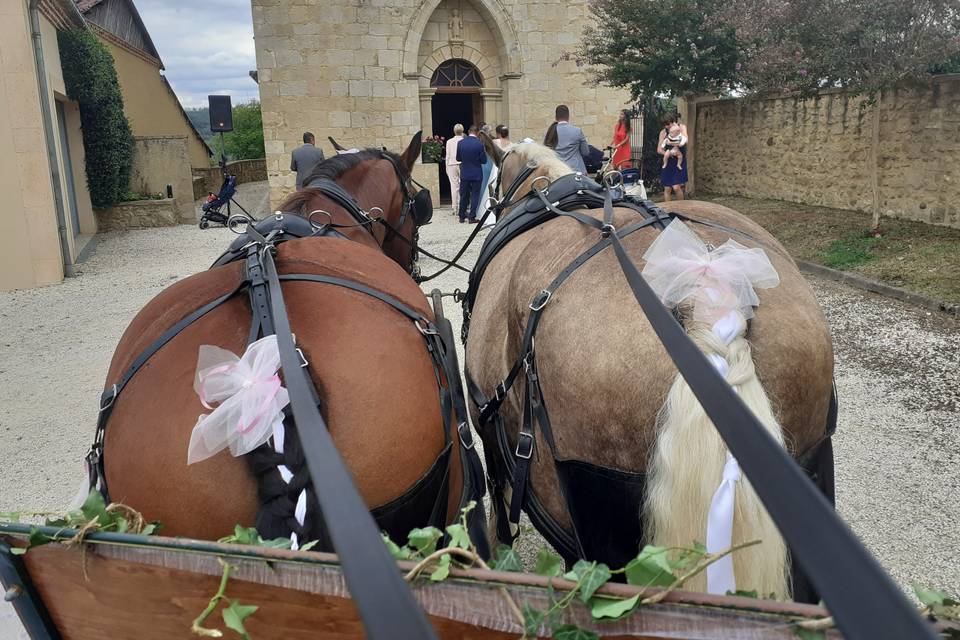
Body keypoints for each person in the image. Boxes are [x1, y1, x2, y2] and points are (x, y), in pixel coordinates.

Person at [456, 125, 486, 223]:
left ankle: (461, 216)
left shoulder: (460, 143)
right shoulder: (480, 144)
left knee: (464, 195)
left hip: (465, 173)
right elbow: (484, 160)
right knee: (475, 195)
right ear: (477, 133)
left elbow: (458, 158)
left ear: (469, 131)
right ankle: (472, 217)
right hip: (476, 173)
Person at [658, 113, 689, 201]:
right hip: (668, 161)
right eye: (664, 125)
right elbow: (659, 149)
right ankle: (668, 210)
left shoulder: (681, 127)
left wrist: (673, 141)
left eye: (668, 124)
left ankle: (681, 208)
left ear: (673, 121)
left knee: (676, 187)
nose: (666, 126)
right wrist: (668, 153)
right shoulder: (663, 132)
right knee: (667, 188)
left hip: (679, 160)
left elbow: (685, 141)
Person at [553, 104, 589, 174]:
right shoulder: (577, 131)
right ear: (568, 116)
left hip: (557, 171)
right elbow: (585, 152)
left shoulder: (550, 133)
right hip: (576, 170)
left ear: (556, 117)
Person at [445, 124, 464, 214]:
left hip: (451, 164)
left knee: (454, 186)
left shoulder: (449, 141)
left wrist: (446, 167)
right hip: (462, 164)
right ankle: (461, 205)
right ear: (462, 131)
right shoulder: (464, 140)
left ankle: (455, 207)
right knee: (462, 185)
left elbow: (447, 155)